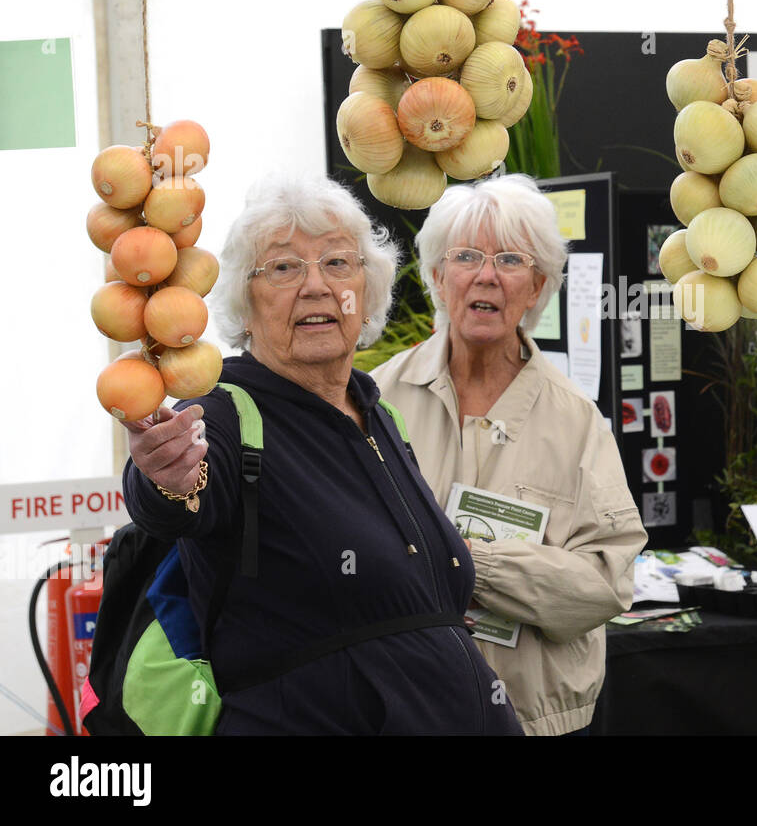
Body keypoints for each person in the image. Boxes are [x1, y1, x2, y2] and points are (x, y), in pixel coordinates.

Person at [120, 173, 522, 735]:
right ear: (245, 299)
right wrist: (166, 475)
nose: (316, 287)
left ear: (367, 288)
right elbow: (175, 492)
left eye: (338, 264)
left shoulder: (380, 415)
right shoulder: (226, 413)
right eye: (283, 268)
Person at [370, 173, 647, 736]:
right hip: (404, 712)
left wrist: (469, 563)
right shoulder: (375, 402)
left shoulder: (576, 421)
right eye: (467, 255)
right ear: (437, 276)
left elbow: (606, 581)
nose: (487, 275)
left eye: (512, 260)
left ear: (538, 286)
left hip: (535, 722)